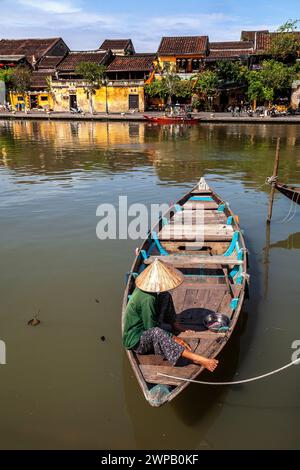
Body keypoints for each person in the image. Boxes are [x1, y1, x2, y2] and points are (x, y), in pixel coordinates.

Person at [123, 259, 219, 372]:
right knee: (157, 333)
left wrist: (172, 331)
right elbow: (151, 328)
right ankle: (199, 359)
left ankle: (175, 325)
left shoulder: (151, 294)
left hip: (147, 327)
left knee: (165, 295)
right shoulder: (147, 299)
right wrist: (174, 338)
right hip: (137, 341)